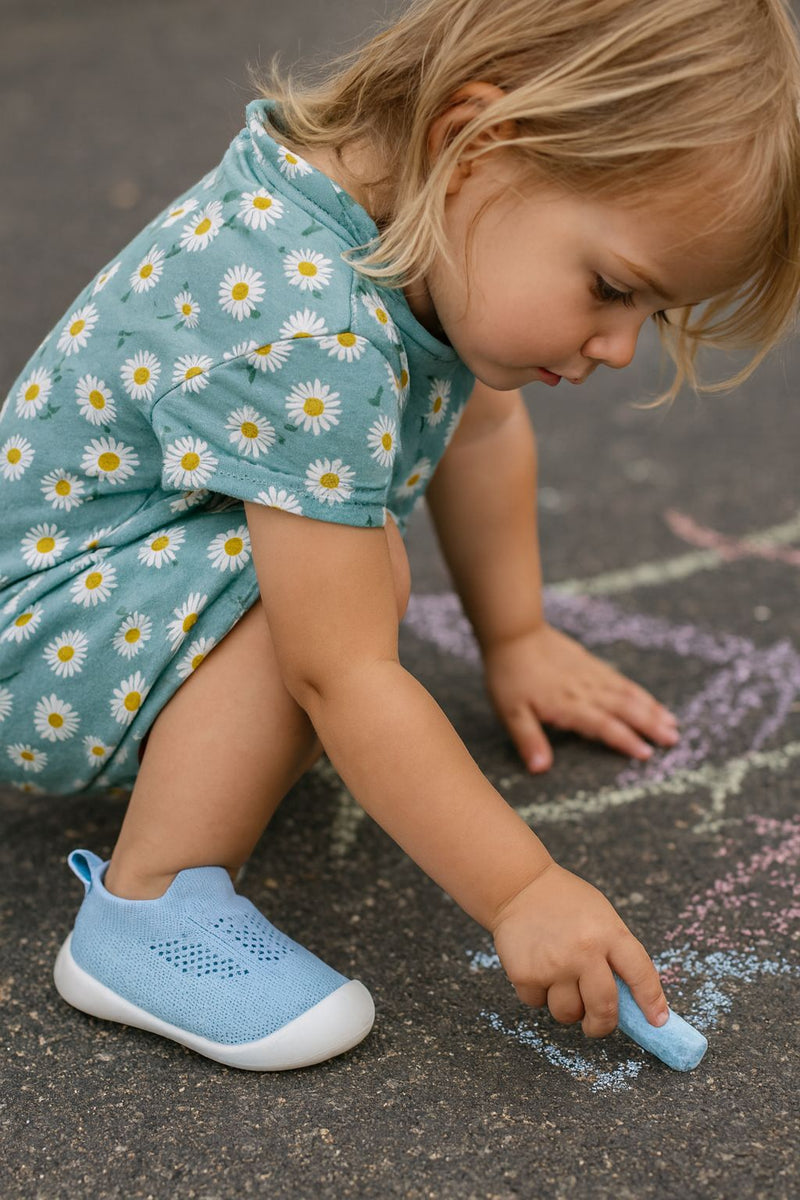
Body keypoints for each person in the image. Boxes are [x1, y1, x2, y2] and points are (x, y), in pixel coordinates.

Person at [1, 0, 799, 1072]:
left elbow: (478, 428)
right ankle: (146, 908)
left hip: (102, 596)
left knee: (339, 562)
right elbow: (341, 673)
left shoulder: (395, 224)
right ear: (475, 141)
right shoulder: (307, 324)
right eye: (611, 289)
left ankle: (199, 764)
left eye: (647, 315)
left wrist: (512, 635)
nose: (617, 346)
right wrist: (521, 889)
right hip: (40, 642)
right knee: (348, 578)